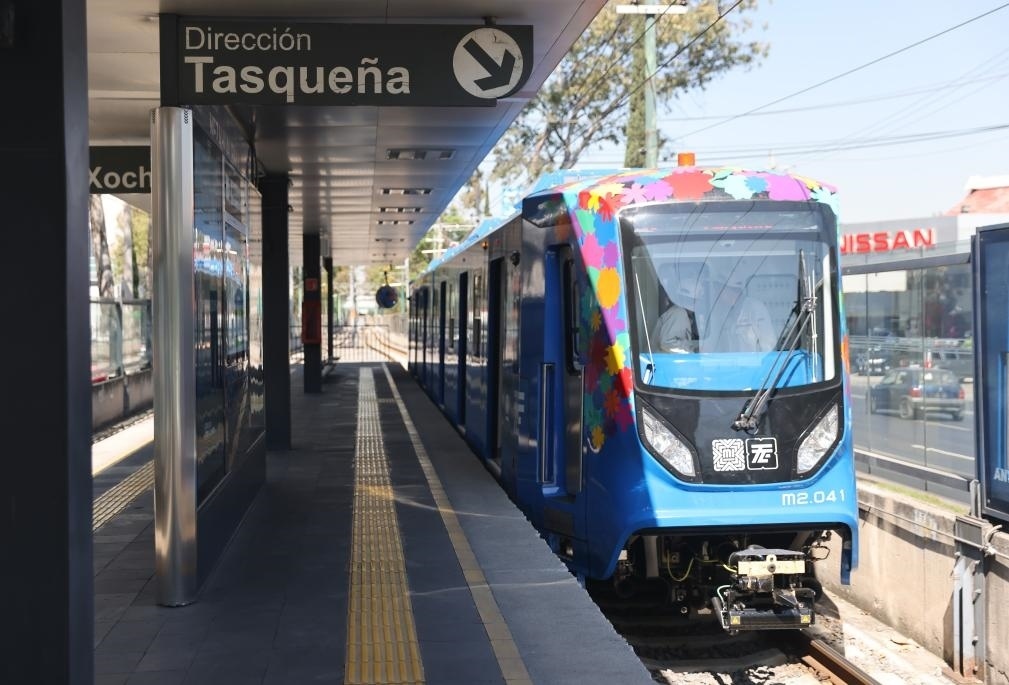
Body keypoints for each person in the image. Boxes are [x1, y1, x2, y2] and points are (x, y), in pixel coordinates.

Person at [651, 264, 703, 353]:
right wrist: (690, 352)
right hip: (664, 360)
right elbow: (667, 344)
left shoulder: (680, 313)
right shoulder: (679, 313)